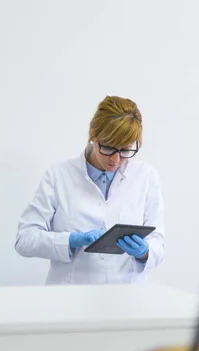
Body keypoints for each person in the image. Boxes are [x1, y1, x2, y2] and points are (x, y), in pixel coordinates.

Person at [15, 95, 165, 284]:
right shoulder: (58, 175)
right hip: (70, 298)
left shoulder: (146, 176)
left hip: (127, 297)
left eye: (125, 151)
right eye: (109, 148)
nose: (116, 160)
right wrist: (70, 240)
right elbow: (25, 239)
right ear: (93, 136)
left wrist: (145, 252)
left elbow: (158, 241)